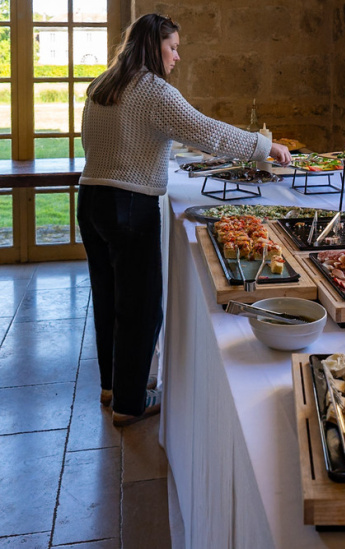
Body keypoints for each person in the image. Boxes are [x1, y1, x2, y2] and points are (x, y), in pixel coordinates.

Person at [77, 14, 291, 427]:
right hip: (130, 204)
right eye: (172, 47)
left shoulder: (102, 84)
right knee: (140, 308)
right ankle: (130, 403)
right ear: (152, 47)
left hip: (91, 199)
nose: (176, 56)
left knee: (107, 299)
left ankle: (112, 386)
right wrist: (266, 146)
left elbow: (91, 140)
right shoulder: (153, 91)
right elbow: (207, 133)